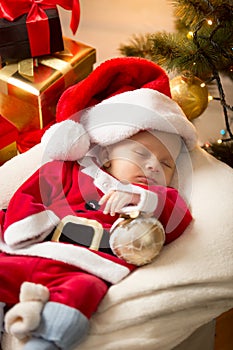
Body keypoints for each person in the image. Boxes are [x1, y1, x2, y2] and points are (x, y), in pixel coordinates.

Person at [0, 58, 197, 350]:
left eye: (166, 164)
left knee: (84, 291)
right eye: (142, 155)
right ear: (107, 153)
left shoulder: (153, 200)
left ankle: (45, 339)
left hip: (85, 266)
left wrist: (139, 199)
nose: (154, 166)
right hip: (32, 248)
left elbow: (178, 217)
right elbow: (29, 195)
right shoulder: (72, 170)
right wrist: (27, 227)